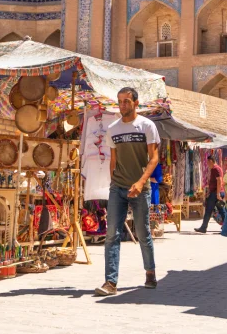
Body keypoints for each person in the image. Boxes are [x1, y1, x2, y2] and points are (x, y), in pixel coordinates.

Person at [95, 87, 161, 297]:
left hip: (140, 188)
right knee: (111, 234)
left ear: (136, 103)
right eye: (120, 101)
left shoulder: (147, 125)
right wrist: (113, 180)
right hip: (118, 188)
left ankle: (150, 272)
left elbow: (154, 158)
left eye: (126, 101)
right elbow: (113, 159)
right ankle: (110, 282)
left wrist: (141, 182)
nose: (122, 105)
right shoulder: (113, 128)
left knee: (142, 233)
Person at [194, 155, 225, 233]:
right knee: (221, 210)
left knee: (209, 210)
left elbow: (219, 181)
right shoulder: (217, 169)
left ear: (211, 161)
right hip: (216, 192)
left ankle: (204, 227)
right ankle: (226, 227)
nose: (207, 164)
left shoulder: (215, 169)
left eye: (208, 162)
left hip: (215, 193)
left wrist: (217, 193)